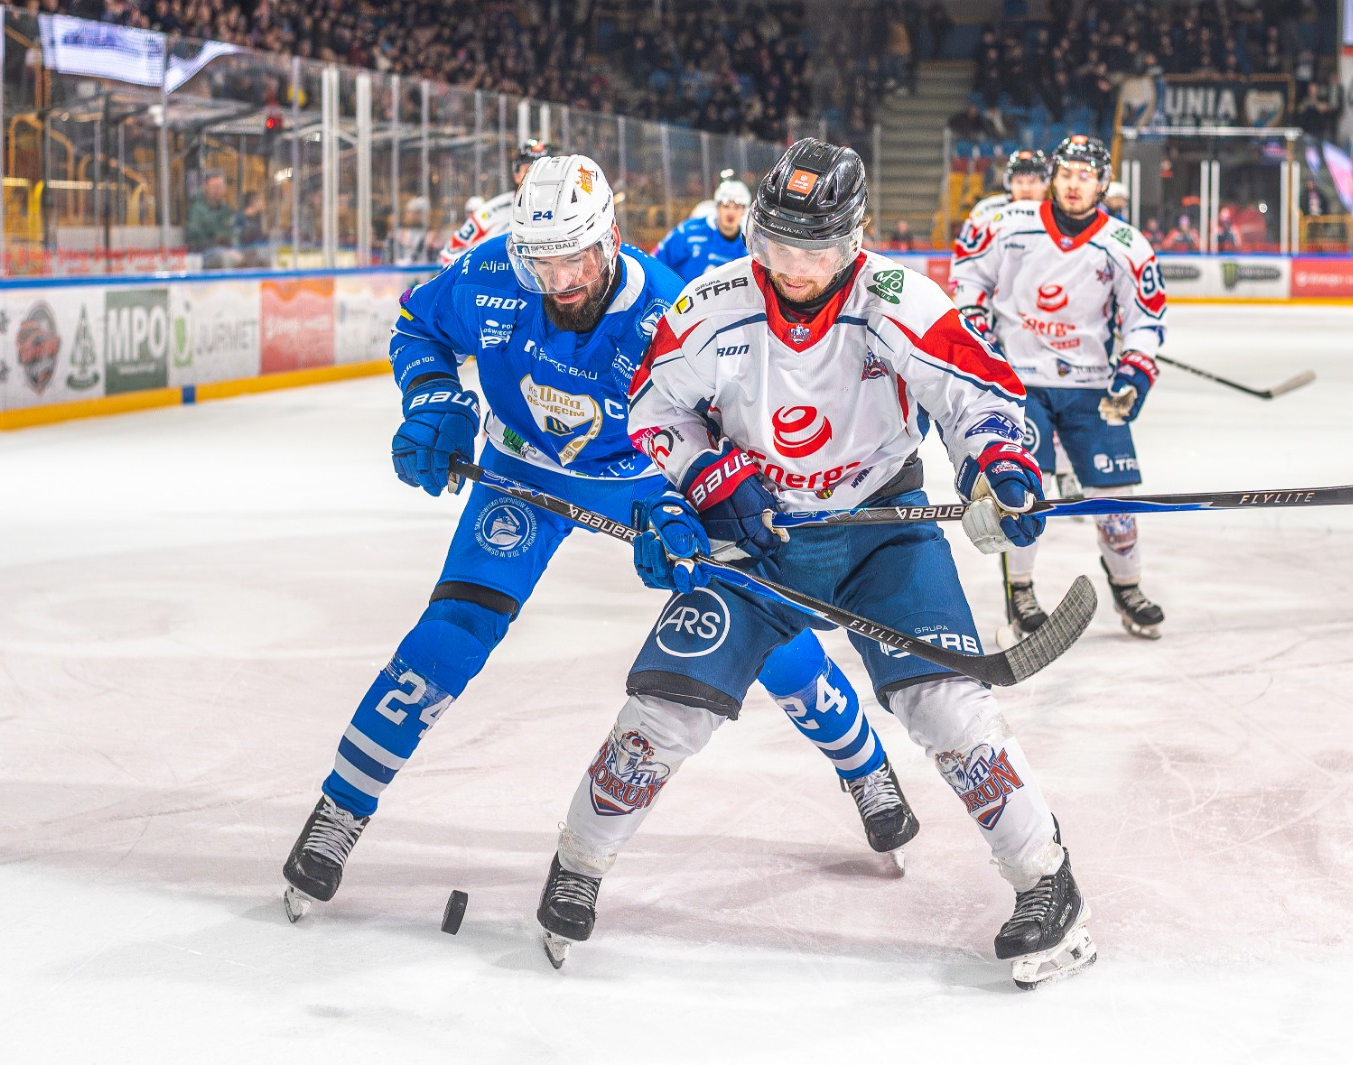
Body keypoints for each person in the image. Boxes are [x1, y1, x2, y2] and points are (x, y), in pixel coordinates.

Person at [281, 154, 919, 923]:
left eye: (577, 257)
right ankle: (340, 810)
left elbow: (720, 430)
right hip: (524, 470)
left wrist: (691, 505)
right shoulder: (490, 275)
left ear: (611, 238)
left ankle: (865, 766)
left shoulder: (665, 314)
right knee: (448, 634)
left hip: (648, 479)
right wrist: (434, 400)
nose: (562, 280)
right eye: (543, 261)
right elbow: (420, 324)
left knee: (763, 629)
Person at [534, 138, 1096, 989]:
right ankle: (578, 860)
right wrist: (711, 474)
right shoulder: (714, 302)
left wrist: (1000, 464)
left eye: (818, 250)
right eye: (779, 246)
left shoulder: (901, 299)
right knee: (664, 708)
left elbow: (976, 390)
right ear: (755, 234)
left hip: (884, 527)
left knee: (946, 705)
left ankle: (1046, 883)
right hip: (760, 538)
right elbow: (653, 410)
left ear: (854, 240)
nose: (796, 269)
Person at [951, 134, 1168, 643]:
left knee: (1117, 497)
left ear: (1102, 183)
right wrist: (978, 328)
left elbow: (1146, 318)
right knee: (1023, 491)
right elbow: (968, 281)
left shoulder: (1125, 245)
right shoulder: (1007, 225)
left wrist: (1135, 372)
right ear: (1054, 177)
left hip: (1092, 386)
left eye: (1085, 176)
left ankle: (1128, 586)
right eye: (1066, 174)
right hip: (1019, 383)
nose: (1074, 185)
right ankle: (1021, 594)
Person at [954, 147, 1082, 508]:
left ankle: (1070, 469)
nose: (1026, 187)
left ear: (1046, 182)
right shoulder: (988, 213)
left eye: (1034, 180)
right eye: (1020, 180)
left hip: (1054, 324)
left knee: (1065, 396)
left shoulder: (1062, 215)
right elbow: (966, 267)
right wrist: (974, 316)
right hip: (1005, 325)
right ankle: (1020, 466)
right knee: (1022, 401)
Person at [439, 139, 556, 266]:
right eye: (529, 169)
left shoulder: (570, 209)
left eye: (544, 169)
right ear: (516, 174)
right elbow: (449, 254)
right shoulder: (491, 212)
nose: (537, 175)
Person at [652, 176, 751, 281]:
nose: (731, 213)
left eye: (736, 207)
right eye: (726, 206)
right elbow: (657, 260)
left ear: (744, 211)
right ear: (717, 207)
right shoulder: (690, 231)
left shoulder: (748, 245)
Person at [185, 171, 241, 269]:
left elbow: (234, 232)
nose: (217, 190)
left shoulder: (226, 209)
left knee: (251, 253)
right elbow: (194, 239)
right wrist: (217, 239)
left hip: (226, 249)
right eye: (214, 187)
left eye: (220, 186)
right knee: (228, 258)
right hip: (203, 254)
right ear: (206, 188)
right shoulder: (197, 210)